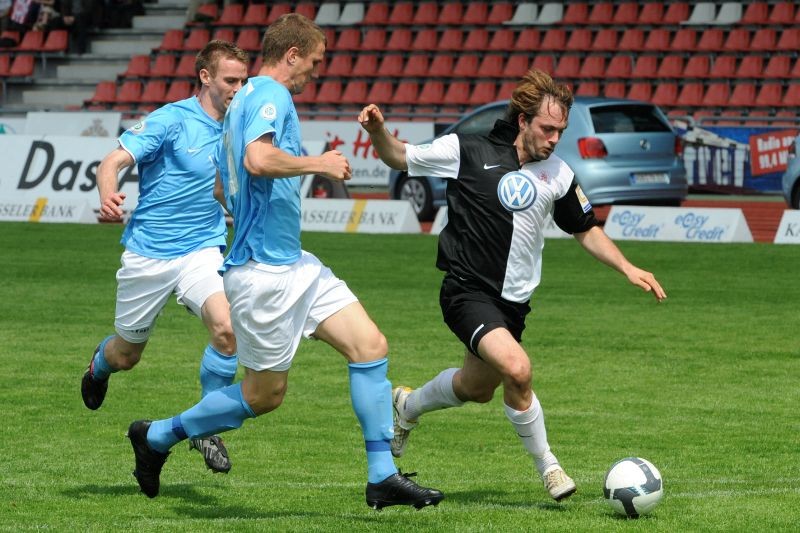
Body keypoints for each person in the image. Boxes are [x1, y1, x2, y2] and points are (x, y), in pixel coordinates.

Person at [124, 14, 444, 510]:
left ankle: (382, 476)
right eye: (314, 62)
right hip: (264, 274)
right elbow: (257, 160)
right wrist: (319, 163)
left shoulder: (239, 102)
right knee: (263, 396)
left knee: (370, 346)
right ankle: (157, 436)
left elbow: (222, 184)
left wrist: (252, 210)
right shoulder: (271, 94)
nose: (315, 71)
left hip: (293, 263)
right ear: (292, 55)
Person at [358, 69, 667, 503]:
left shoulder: (558, 173)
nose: (554, 139)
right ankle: (550, 467)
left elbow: (585, 229)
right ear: (523, 120)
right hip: (466, 292)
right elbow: (399, 156)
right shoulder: (467, 150)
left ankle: (407, 406)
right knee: (518, 370)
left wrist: (627, 268)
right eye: (547, 128)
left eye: (560, 131)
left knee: (476, 388)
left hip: (513, 306)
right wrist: (378, 131)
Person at [82, 40, 249, 474]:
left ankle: (204, 427)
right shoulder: (172, 120)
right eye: (231, 80)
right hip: (149, 255)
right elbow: (112, 161)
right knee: (127, 356)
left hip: (202, 249)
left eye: (243, 81)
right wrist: (107, 195)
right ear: (205, 77)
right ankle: (99, 366)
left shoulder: (239, 126)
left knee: (227, 330)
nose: (238, 89)